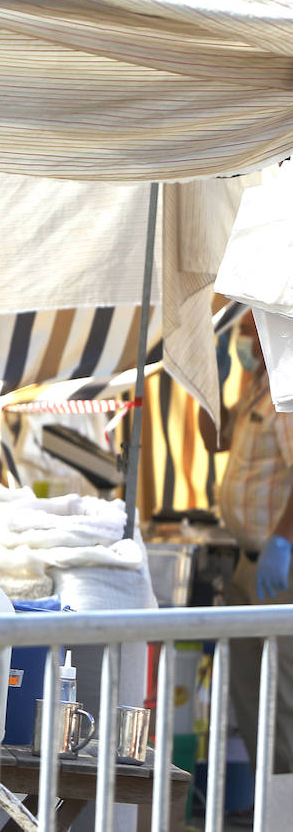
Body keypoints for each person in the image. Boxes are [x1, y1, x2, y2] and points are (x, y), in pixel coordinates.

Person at [200, 311, 293, 776]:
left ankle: (283, 811)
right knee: (249, 693)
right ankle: (266, 806)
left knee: (280, 698)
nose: (241, 335)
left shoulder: (288, 384)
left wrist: (282, 539)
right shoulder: (260, 381)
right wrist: (209, 385)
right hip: (248, 561)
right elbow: (215, 438)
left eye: (249, 325)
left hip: (281, 564)